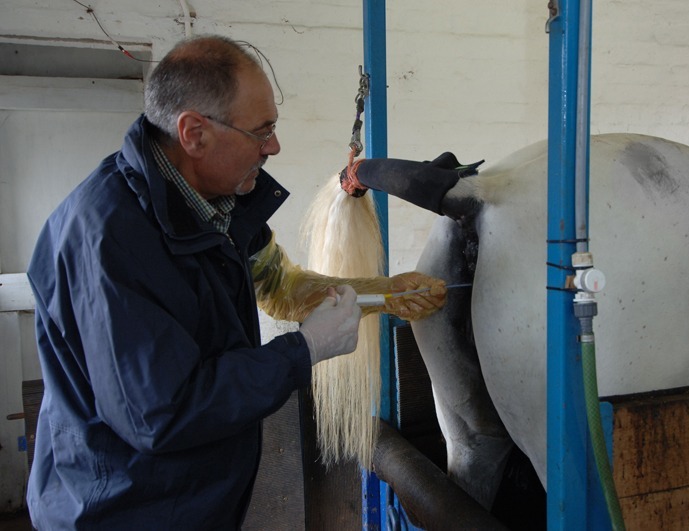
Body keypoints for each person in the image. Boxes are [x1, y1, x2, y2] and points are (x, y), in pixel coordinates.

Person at [25, 35, 447, 529]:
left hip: (186, 502)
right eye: (261, 131)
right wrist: (303, 352)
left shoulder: (216, 203)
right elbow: (163, 414)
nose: (274, 146)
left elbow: (280, 285)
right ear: (194, 133)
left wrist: (384, 292)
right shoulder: (107, 243)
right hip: (120, 511)